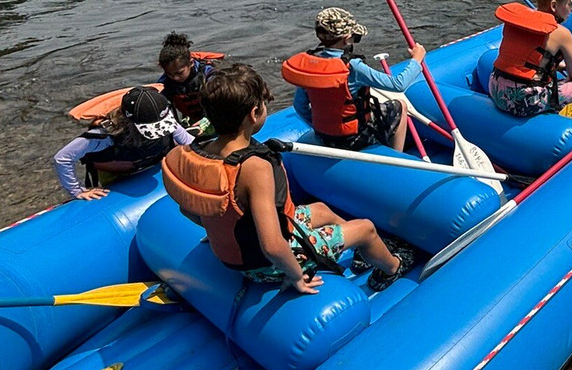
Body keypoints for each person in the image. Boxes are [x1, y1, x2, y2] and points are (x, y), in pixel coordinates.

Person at [161, 63, 413, 293]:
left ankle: (358, 252)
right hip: (266, 266)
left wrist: (219, 228)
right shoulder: (254, 167)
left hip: (233, 250)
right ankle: (391, 267)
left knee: (322, 210)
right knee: (366, 228)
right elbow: (272, 245)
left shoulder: (199, 153)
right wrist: (296, 276)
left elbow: (188, 208)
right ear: (254, 112)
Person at [282, 7, 425, 152]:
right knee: (399, 106)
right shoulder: (353, 66)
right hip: (354, 138)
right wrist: (416, 60)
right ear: (346, 39)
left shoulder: (309, 65)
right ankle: (396, 157)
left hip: (324, 136)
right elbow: (398, 85)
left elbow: (299, 106)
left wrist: (320, 127)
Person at [488, 0, 572, 133]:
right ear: (554, 5)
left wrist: (555, 66)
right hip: (522, 101)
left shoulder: (518, 22)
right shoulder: (561, 33)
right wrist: (568, 71)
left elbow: (527, 60)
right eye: (569, 4)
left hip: (496, 89)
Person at [53, 86, 195, 200]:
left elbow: (190, 143)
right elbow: (63, 158)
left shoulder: (165, 120)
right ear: (129, 121)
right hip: (117, 173)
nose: (160, 130)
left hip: (150, 163)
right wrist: (77, 191)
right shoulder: (107, 134)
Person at [157, 32, 215, 125]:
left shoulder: (209, 75)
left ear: (191, 63)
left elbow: (224, 102)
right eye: (169, 74)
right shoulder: (165, 83)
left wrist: (208, 120)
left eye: (179, 73)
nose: (175, 78)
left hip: (214, 117)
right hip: (191, 119)